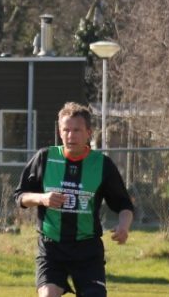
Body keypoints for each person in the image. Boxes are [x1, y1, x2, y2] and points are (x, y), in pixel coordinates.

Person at [14, 102, 134, 297]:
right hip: (52, 248)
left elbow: (124, 205)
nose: (71, 135)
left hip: (87, 250)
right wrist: (42, 198)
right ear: (60, 132)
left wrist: (124, 226)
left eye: (76, 130)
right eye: (66, 130)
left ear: (89, 133)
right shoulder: (44, 158)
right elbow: (20, 196)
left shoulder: (102, 164)